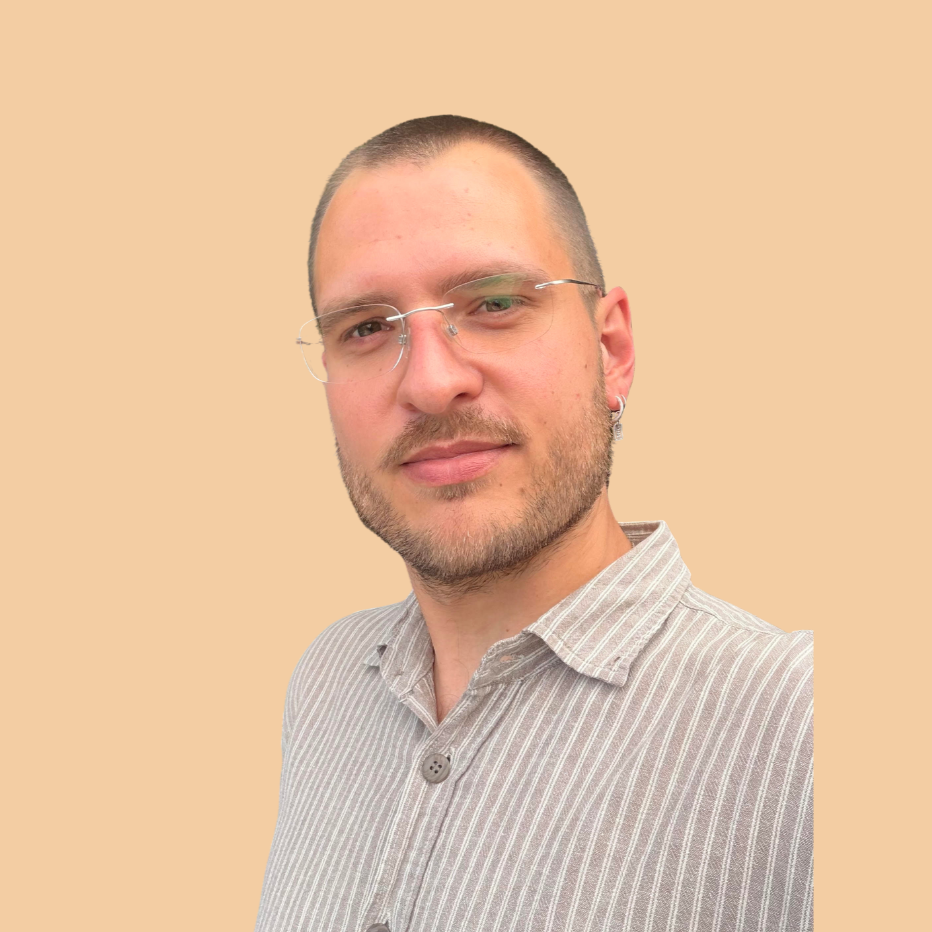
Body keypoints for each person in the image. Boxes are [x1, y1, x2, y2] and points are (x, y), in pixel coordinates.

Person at [255, 115, 813, 932]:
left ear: (611, 347)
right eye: (368, 328)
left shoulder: (804, 731)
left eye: (495, 303)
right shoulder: (328, 683)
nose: (432, 382)